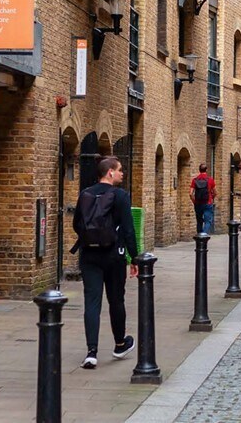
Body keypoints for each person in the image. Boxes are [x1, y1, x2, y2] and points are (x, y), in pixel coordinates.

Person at [72, 156, 138, 369]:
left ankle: (91, 352)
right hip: (113, 256)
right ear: (109, 172)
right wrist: (134, 257)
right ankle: (120, 344)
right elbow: (128, 229)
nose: (122, 174)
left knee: (92, 301)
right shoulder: (120, 196)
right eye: (119, 170)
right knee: (116, 300)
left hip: (89, 255)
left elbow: (77, 224)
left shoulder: (85, 194)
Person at [190, 163, 216, 235]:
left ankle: (199, 238)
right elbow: (215, 192)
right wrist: (211, 198)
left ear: (199, 170)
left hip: (198, 203)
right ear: (206, 170)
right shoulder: (210, 180)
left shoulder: (194, 180)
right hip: (208, 203)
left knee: (199, 221)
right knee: (208, 221)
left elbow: (190, 193)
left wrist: (194, 201)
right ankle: (203, 235)